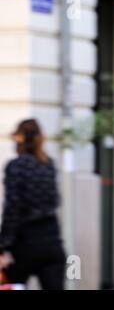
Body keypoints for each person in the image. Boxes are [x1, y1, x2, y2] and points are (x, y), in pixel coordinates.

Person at [0, 119, 66, 290]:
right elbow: (55, 200)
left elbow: (12, 208)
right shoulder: (48, 164)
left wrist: (3, 245)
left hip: (25, 244)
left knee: (10, 285)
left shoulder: (16, 166)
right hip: (52, 241)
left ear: (19, 139)